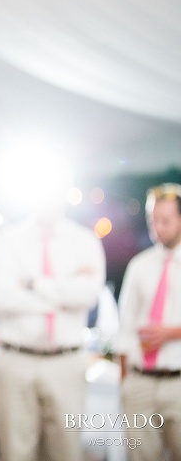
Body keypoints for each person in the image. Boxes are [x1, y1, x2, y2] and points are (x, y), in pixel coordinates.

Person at [0, 183, 105, 461]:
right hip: (16, 359)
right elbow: (2, 298)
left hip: (66, 361)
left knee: (66, 450)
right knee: (15, 451)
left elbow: (88, 295)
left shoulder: (85, 240)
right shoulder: (7, 240)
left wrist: (33, 283)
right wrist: (64, 294)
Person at [114, 183, 181, 460]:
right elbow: (125, 326)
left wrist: (173, 332)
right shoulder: (140, 265)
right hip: (140, 381)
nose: (158, 228)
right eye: (153, 220)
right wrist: (125, 380)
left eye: (165, 220)